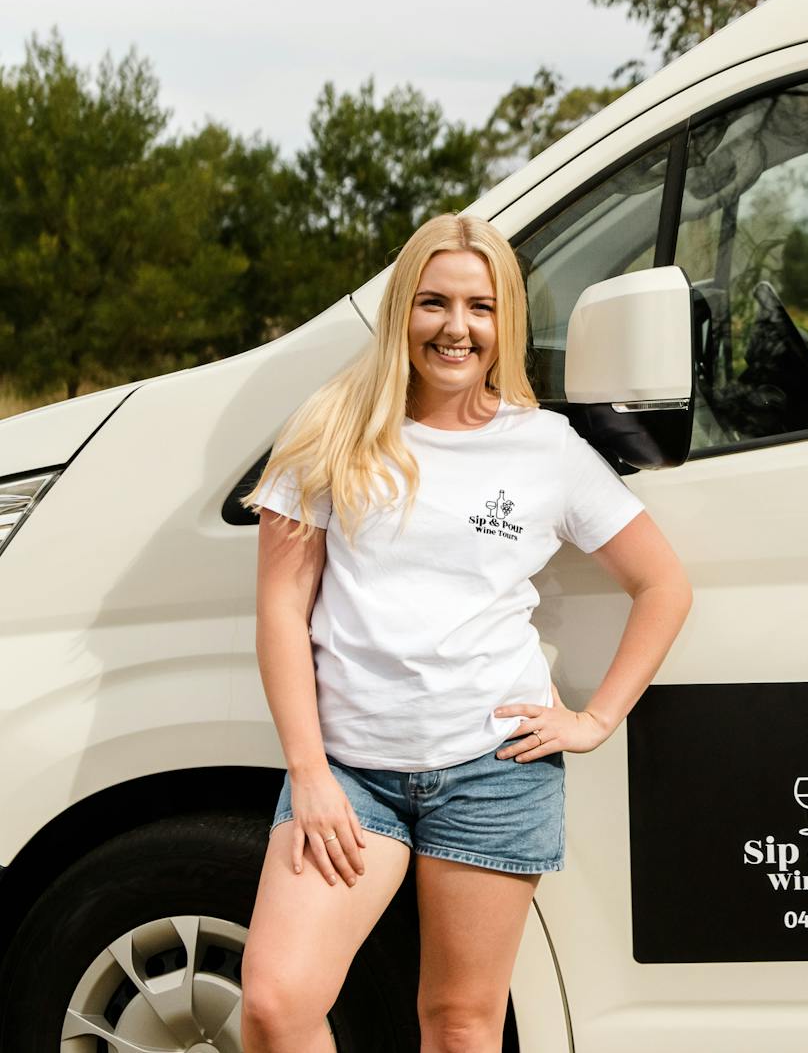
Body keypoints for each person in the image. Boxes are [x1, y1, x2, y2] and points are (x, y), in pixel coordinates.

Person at [238, 213, 691, 1052]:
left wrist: (596, 720)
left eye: (480, 307)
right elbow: (279, 610)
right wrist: (310, 772)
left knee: (459, 1025)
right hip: (350, 776)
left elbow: (662, 584)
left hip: (492, 774)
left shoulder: (544, 447)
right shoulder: (330, 428)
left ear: (504, 321)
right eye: (434, 302)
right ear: (402, 310)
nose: (456, 328)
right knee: (274, 1002)